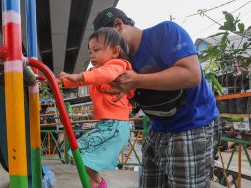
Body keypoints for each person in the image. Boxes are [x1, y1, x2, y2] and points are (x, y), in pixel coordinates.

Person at [93, 7, 220, 188]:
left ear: (119, 26)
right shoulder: (123, 63)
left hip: (193, 125)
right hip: (157, 128)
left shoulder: (166, 32)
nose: (112, 53)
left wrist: (137, 80)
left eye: (109, 46)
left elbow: (192, 75)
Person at [59, 27, 134, 188]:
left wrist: (79, 76)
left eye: (96, 49)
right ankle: (96, 183)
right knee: (80, 154)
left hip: (116, 126)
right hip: (108, 125)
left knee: (81, 153)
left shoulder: (118, 65)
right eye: (90, 51)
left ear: (115, 51)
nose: (91, 54)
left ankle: (98, 183)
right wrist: (63, 81)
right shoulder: (97, 71)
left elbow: (104, 75)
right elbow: (85, 80)